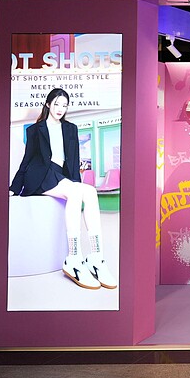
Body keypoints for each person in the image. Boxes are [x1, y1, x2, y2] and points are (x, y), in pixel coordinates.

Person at [10, 88, 116, 290]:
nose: (60, 109)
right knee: (75, 192)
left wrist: (75, 182)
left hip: (60, 175)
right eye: (57, 104)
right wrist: (15, 187)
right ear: (48, 104)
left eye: (64, 105)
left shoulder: (70, 129)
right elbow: (27, 159)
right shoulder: (35, 130)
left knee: (90, 191)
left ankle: (96, 257)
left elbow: (74, 161)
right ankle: (74, 257)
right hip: (40, 176)